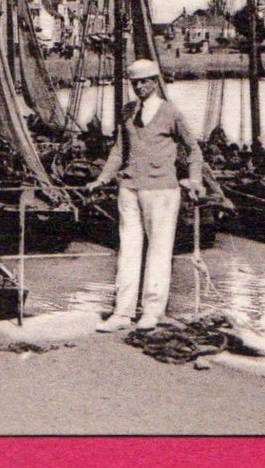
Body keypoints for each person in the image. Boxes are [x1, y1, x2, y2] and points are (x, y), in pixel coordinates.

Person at [86, 57, 202, 332]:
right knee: (128, 251)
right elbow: (119, 150)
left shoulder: (170, 113)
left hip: (162, 190)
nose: (139, 87)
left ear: (155, 82)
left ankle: (152, 311)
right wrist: (102, 178)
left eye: (144, 82)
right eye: (134, 82)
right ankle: (122, 313)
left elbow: (194, 150)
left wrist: (194, 179)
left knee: (160, 252)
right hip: (129, 188)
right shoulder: (127, 112)